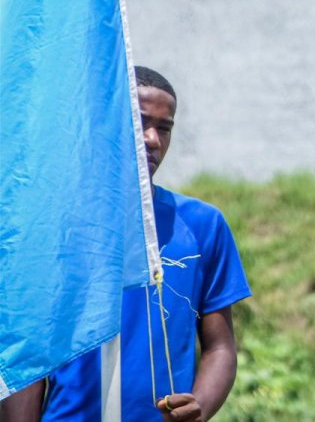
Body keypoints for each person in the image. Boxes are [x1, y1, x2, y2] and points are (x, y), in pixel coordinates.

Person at [0, 66, 252, 422]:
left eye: (164, 128)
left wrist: (199, 407)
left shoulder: (202, 224)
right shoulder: (51, 226)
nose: (152, 139)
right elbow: (26, 358)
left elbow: (220, 347)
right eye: (140, 122)